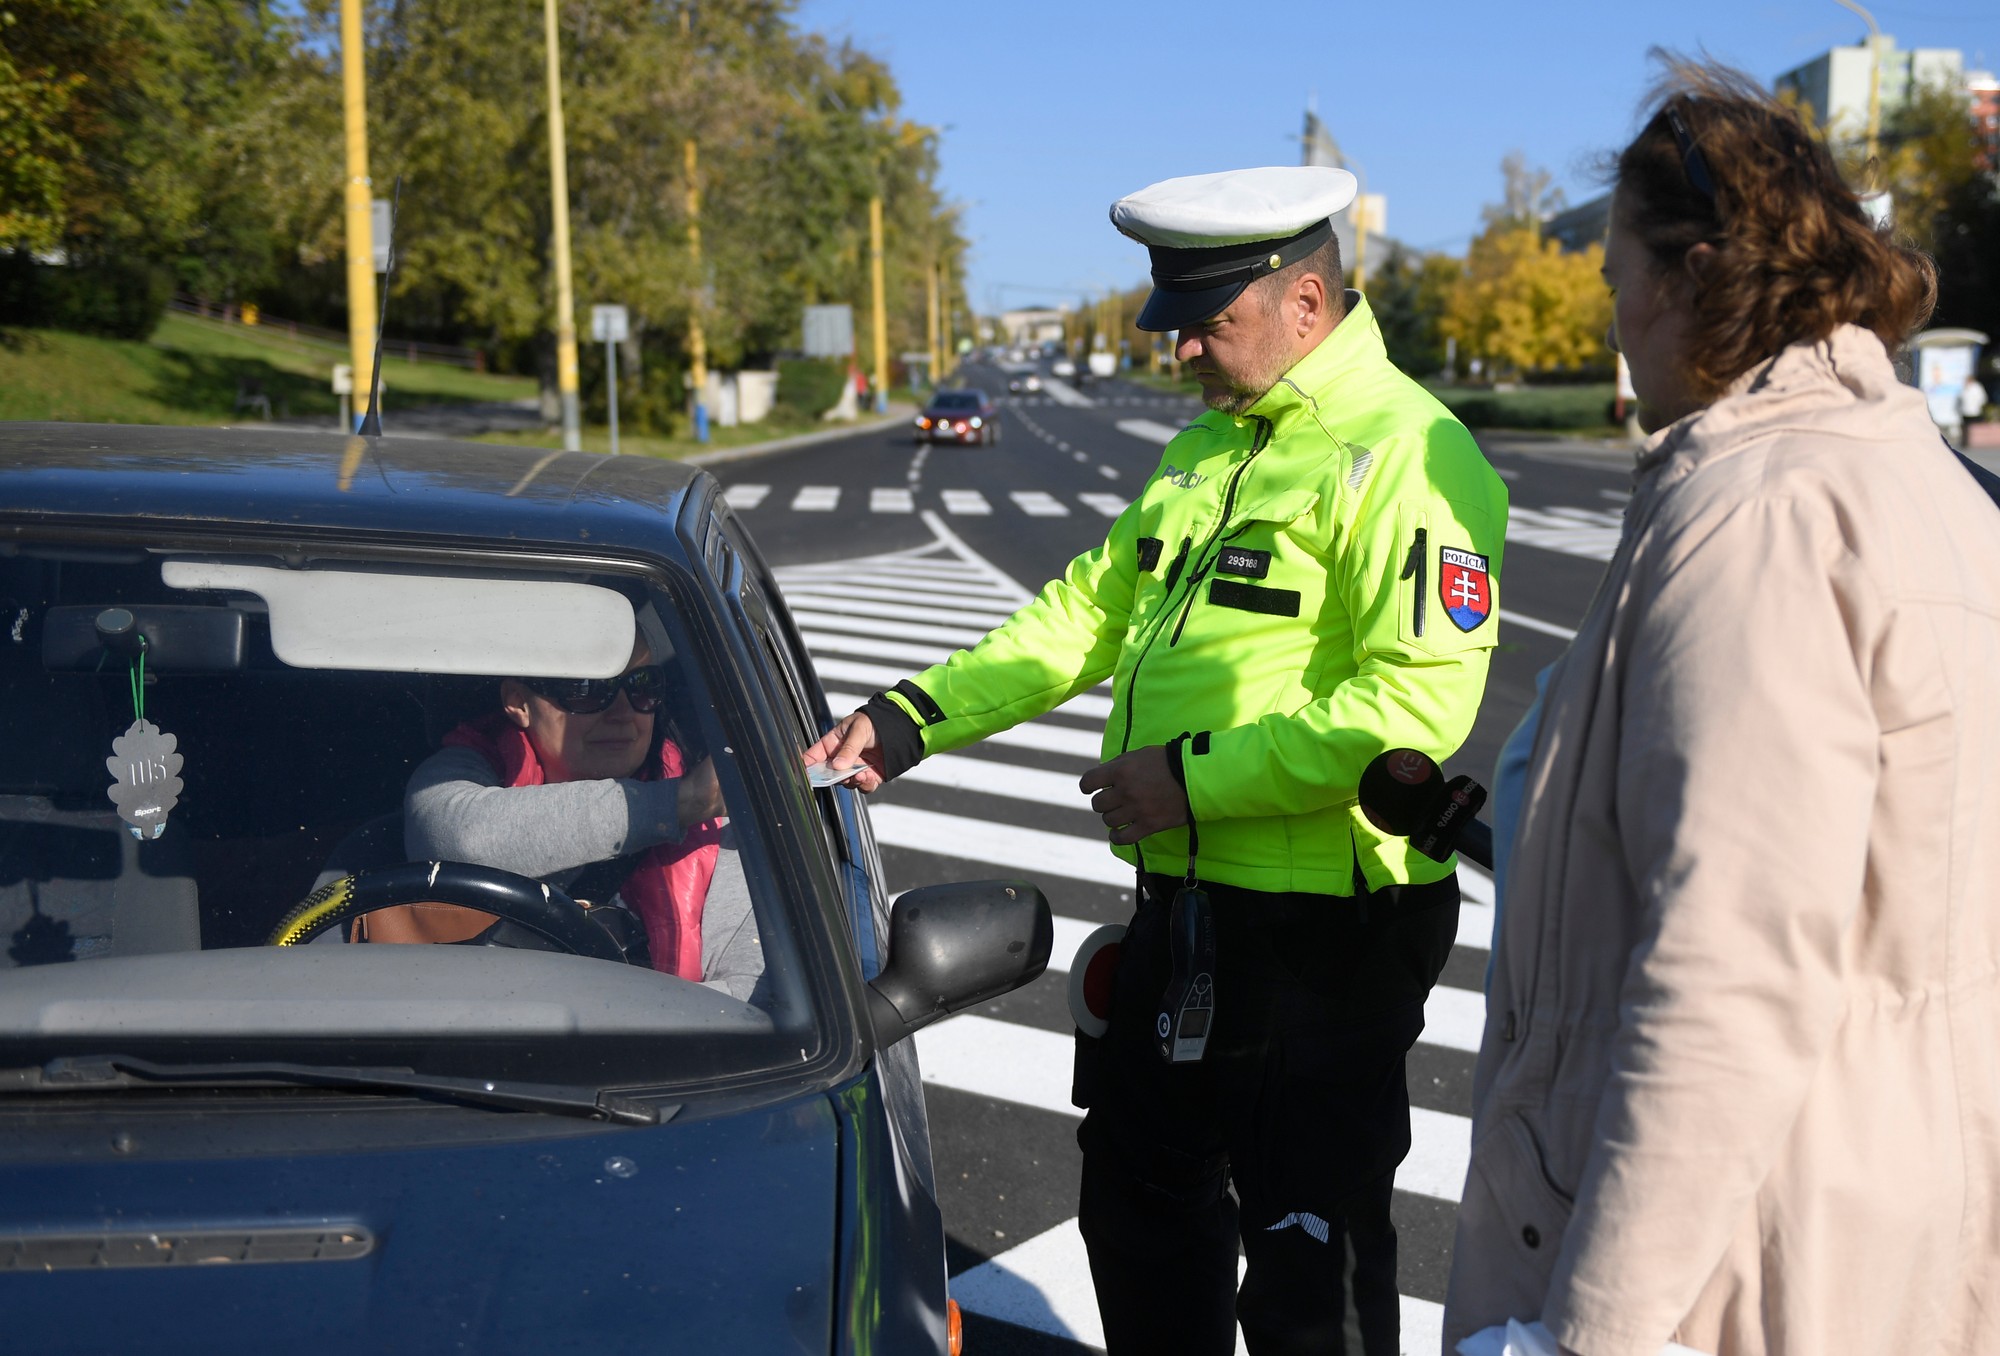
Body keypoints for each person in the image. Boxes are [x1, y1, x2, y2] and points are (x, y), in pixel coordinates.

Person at [808, 165, 1509, 1355]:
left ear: (1303, 302)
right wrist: (916, 714)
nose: (1182, 349)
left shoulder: (1405, 454)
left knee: (1310, 1278)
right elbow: (1088, 612)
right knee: (1139, 1221)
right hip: (1185, 918)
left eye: (1208, 322)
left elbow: (1409, 706)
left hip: (1319, 949)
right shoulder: (1209, 446)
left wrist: (1186, 782)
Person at [1443, 59, 2000, 1356]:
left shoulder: (1757, 515)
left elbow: (1729, 974)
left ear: (1694, 275)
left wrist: (1585, 1337)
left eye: (1617, 276)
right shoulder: (1931, 490)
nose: (1611, 320)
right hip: (1893, 1220)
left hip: (1737, 1276)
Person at [393, 645, 765, 1002]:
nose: (622, 713)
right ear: (518, 702)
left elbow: (752, 999)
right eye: (585, 689)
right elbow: (462, 840)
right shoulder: (462, 774)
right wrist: (679, 803)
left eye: (642, 687)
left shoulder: (718, 830)